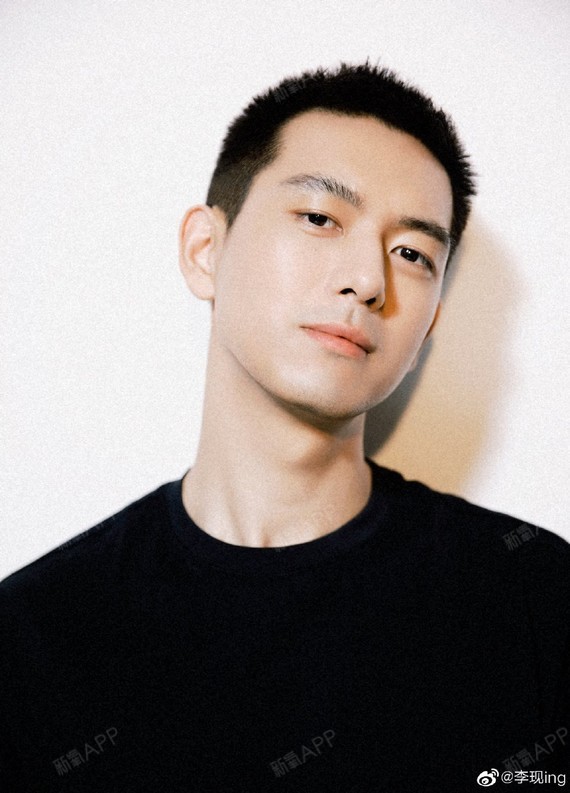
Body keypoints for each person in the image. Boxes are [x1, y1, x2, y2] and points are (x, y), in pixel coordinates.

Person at [1, 62, 568, 792]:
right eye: (320, 219)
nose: (369, 280)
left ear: (431, 323)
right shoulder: (34, 635)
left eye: (412, 254)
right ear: (206, 250)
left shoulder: (534, 599)